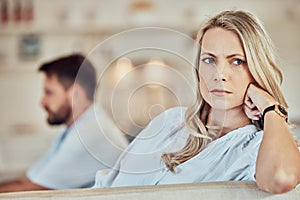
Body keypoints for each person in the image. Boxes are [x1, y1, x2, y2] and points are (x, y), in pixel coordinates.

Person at [93, 10, 300, 194]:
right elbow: (105, 186)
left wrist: (271, 109)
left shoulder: (256, 149)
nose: (219, 75)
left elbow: (281, 178)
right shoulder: (168, 120)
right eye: (209, 60)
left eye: (237, 61)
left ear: (256, 69)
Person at [0, 54, 128, 192]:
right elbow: (30, 178)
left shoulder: (89, 133)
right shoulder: (78, 127)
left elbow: (32, 189)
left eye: (49, 93)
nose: (42, 102)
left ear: (75, 94)